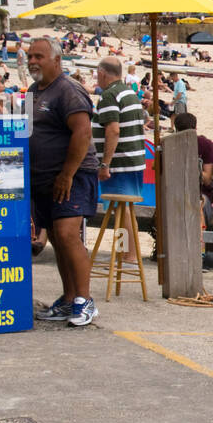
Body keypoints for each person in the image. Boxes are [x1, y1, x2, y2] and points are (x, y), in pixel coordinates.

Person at [26, 37, 101, 326]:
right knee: (56, 238)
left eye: (39, 56)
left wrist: (67, 175)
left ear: (56, 60)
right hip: (44, 180)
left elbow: (82, 133)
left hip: (73, 176)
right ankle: (69, 299)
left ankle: (85, 301)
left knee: (69, 235)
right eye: (30, 56)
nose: (33, 61)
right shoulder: (34, 91)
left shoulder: (69, 91)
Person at [93, 56, 145, 267]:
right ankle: (127, 253)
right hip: (133, 159)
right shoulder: (129, 92)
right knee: (125, 210)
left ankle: (127, 255)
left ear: (103, 73)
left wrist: (105, 164)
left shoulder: (109, 95)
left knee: (120, 210)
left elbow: (113, 130)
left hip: (120, 162)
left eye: (97, 74)